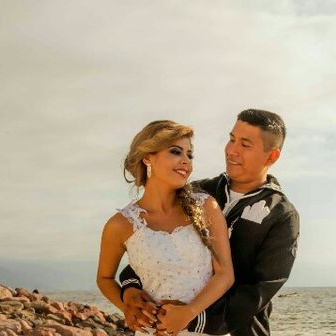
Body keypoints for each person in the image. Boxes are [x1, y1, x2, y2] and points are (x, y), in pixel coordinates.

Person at [120, 109, 300, 336]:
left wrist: (192, 317)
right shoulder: (195, 192)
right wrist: (129, 289)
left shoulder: (282, 216)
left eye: (245, 145)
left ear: (271, 157)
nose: (232, 150)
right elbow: (152, 251)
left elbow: (258, 291)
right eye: (231, 139)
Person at [96, 120, 234, 336]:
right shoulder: (120, 224)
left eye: (190, 155)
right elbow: (104, 279)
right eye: (176, 152)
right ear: (147, 157)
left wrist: (188, 313)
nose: (186, 162)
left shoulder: (206, 206)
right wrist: (128, 307)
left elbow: (225, 274)